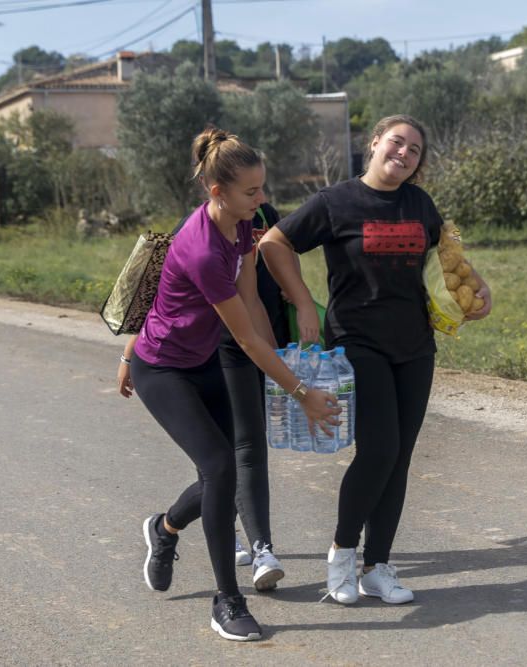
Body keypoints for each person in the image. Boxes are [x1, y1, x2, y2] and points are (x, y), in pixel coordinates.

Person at [259, 114, 491, 606]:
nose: (404, 153)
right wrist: (301, 299)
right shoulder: (335, 202)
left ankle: (377, 567)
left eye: (414, 150)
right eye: (397, 142)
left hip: (415, 345)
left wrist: (475, 289)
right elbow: (274, 241)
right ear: (374, 144)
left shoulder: (419, 204)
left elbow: (443, 259)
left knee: (400, 457)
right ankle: (342, 555)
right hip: (358, 342)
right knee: (380, 450)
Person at [118, 127, 338, 641]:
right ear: (217, 191)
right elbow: (244, 337)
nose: (262, 201)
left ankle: (165, 527)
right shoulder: (200, 249)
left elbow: (256, 308)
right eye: (252, 191)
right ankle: (227, 600)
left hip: (203, 362)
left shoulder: (243, 227)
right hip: (164, 367)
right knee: (220, 466)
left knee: (222, 475)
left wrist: (289, 368)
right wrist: (300, 392)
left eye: (262, 188)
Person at [172, 200, 291, 590]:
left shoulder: (262, 216)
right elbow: (159, 293)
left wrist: (293, 299)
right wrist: (131, 352)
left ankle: (262, 548)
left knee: (250, 446)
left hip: (254, 340)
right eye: (249, 188)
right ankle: (209, 529)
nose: (256, 195)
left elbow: (269, 274)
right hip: (211, 348)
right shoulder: (194, 230)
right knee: (220, 457)